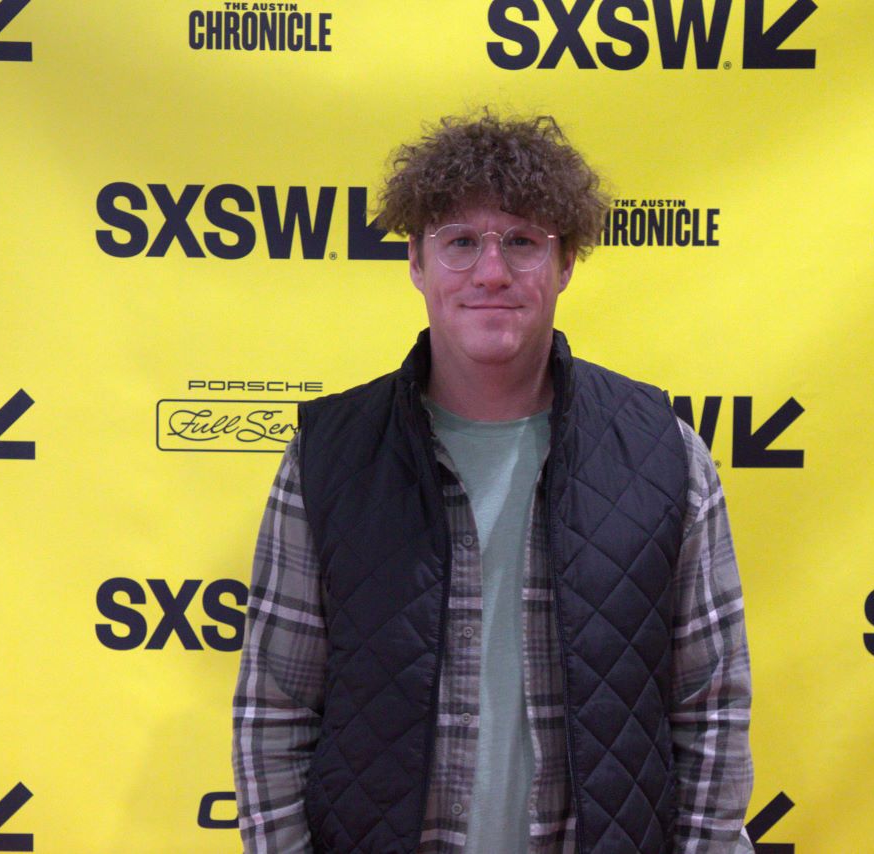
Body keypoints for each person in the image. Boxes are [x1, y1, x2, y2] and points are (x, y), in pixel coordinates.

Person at [233, 111, 753, 854]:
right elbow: (275, 712)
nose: (491, 272)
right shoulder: (327, 461)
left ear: (567, 262)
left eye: (521, 241)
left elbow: (712, 710)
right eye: (460, 243)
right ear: (415, 261)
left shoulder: (664, 453)